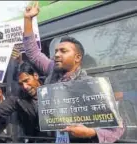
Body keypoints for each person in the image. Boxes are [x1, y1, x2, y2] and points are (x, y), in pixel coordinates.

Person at [22, 2, 124, 143]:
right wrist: (28, 20)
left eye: (63, 51)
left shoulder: (91, 86)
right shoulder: (52, 69)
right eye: (56, 51)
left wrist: (91, 132)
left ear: (77, 58)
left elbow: (117, 129)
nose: (56, 54)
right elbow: (32, 52)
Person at [0, 62, 53, 143]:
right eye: (20, 84)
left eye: (26, 80)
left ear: (35, 76)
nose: (25, 87)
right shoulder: (18, 98)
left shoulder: (52, 86)